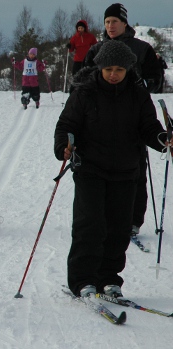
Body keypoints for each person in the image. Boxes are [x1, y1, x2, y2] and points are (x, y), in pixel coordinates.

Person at [54, 40, 167, 299]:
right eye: (108, 69)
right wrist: (64, 145)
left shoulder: (137, 93)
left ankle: (109, 279)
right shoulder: (84, 91)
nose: (113, 74)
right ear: (100, 68)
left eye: (119, 69)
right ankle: (83, 280)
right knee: (89, 226)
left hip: (126, 171)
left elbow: (149, 127)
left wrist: (163, 140)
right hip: (90, 169)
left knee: (118, 228)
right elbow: (66, 124)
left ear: (128, 69)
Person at [83, 3, 164, 238]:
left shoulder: (142, 48)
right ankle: (106, 217)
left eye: (114, 22)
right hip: (101, 119)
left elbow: (155, 78)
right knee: (100, 170)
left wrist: (142, 86)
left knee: (136, 171)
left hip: (134, 117)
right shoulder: (96, 49)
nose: (110, 26)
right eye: (107, 22)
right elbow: (84, 78)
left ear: (124, 23)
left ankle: (133, 221)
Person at [67, 20, 97, 94]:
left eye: (81, 28)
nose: (80, 30)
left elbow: (96, 45)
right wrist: (69, 46)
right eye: (79, 28)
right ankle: (73, 92)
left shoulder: (90, 36)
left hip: (88, 59)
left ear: (85, 28)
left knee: (88, 75)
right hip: (77, 60)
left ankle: (88, 91)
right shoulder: (74, 38)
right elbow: (71, 49)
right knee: (75, 76)